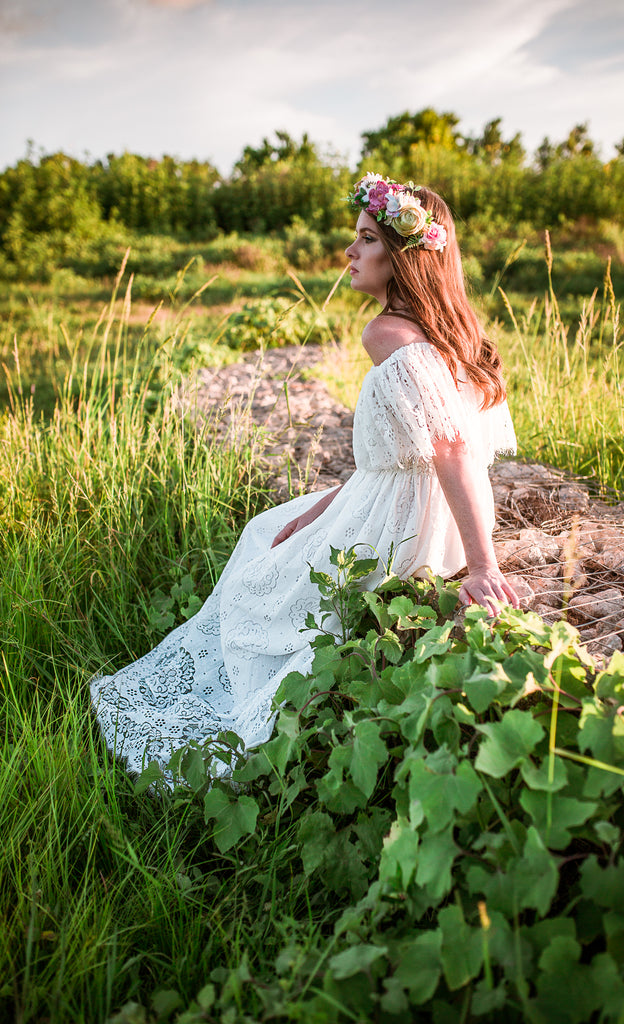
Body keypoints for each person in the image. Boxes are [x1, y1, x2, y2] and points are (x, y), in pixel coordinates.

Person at [90, 174, 518, 777]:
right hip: (407, 503)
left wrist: (484, 566)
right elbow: (406, 452)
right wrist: (318, 511)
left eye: (366, 239)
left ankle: (246, 719)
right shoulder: (449, 337)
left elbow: (450, 448)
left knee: (263, 578)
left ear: (401, 259)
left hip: (401, 523)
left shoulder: (388, 333)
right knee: (273, 528)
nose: (349, 251)